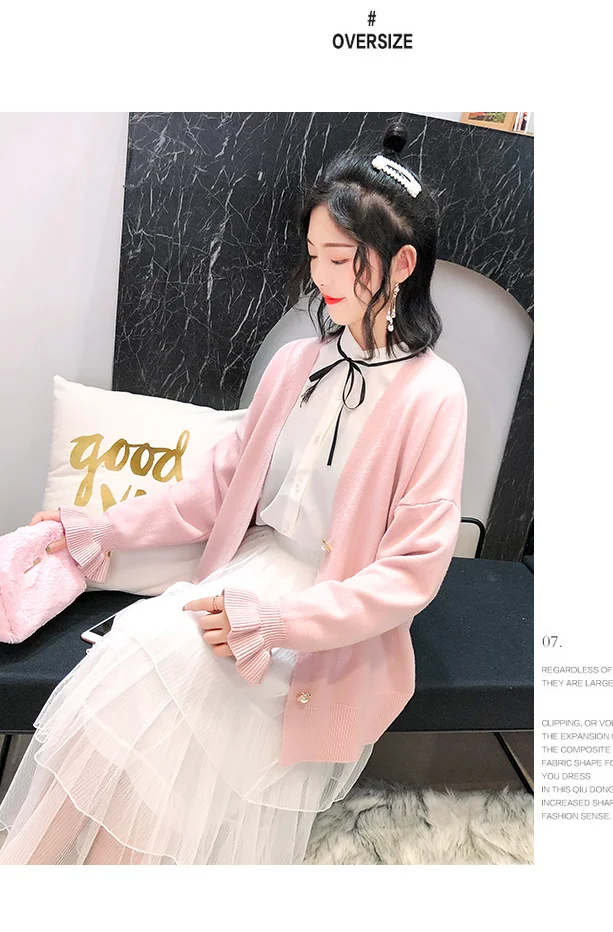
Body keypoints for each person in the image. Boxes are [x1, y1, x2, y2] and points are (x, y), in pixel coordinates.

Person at [0, 120, 468, 865]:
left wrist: (278, 623)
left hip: (322, 627)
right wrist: (103, 528)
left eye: (341, 258)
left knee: (159, 713)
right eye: (314, 255)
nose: (322, 276)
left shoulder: (434, 396)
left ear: (402, 262)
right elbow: (214, 490)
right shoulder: (296, 364)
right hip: (241, 582)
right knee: (125, 693)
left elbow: (410, 575)